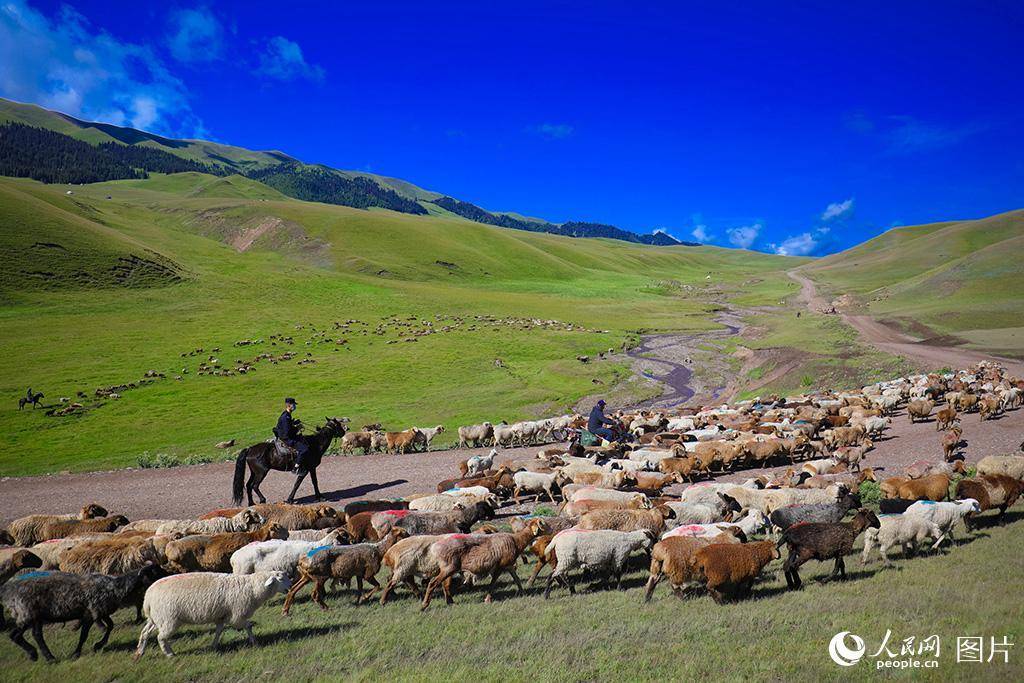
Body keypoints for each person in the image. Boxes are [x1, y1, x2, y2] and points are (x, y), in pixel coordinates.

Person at [275, 398, 311, 503]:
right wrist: (297, 428)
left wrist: (294, 422)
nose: (295, 406)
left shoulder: (287, 415)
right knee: (304, 449)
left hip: (287, 436)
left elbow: (288, 426)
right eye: (293, 405)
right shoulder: (285, 417)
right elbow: (287, 432)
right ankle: (296, 468)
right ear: (289, 405)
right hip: (287, 439)